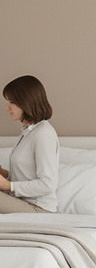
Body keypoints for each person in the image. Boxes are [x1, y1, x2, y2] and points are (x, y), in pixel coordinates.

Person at [0, 75, 59, 214]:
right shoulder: (28, 131)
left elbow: (47, 184)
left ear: (26, 101)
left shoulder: (43, 134)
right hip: (22, 201)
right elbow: (26, 176)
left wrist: (8, 185)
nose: (7, 107)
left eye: (12, 102)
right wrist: (4, 174)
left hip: (39, 208)